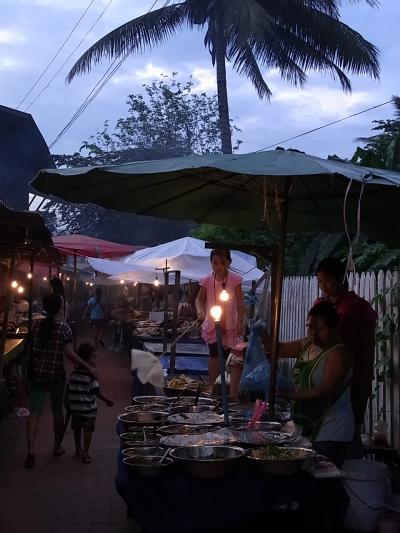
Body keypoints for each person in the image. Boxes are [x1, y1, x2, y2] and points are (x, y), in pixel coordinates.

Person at [264, 301, 354, 467]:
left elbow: (327, 389)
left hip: (332, 431)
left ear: (334, 328)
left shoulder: (339, 353)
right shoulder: (307, 344)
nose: (313, 334)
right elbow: (277, 348)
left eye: (319, 329)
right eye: (309, 327)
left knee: (323, 481)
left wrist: (289, 394)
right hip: (307, 426)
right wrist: (260, 332)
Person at [25, 293, 98, 469]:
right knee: (58, 411)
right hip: (55, 376)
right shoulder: (63, 327)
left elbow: (30, 351)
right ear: (59, 307)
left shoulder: (36, 325)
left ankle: (31, 451)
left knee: (35, 412)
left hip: (37, 375)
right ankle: (57, 447)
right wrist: (87, 367)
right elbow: (69, 354)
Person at [316, 257, 377, 455]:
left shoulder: (358, 306)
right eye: (320, 281)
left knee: (351, 430)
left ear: (340, 278)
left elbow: (369, 345)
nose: (323, 286)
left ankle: (352, 473)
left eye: (328, 280)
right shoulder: (320, 305)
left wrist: (366, 378)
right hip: (326, 374)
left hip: (353, 377)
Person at [195, 249, 244, 387]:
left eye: (223, 263)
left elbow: (240, 303)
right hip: (213, 323)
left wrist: (241, 321)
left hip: (230, 325)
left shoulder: (235, 280)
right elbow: (199, 299)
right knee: (215, 354)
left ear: (229, 263)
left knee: (231, 357)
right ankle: (213, 388)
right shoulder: (206, 280)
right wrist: (200, 310)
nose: (219, 267)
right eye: (215, 263)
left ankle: (230, 390)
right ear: (211, 263)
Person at [66, 343, 113, 464]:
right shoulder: (90, 376)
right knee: (87, 432)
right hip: (88, 410)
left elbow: (70, 390)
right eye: (94, 357)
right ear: (85, 360)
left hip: (75, 410)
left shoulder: (73, 374)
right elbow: (96, 392)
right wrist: (107, 400)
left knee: (77, 430)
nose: (96, 360)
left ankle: (77, 449)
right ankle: (86, 454)